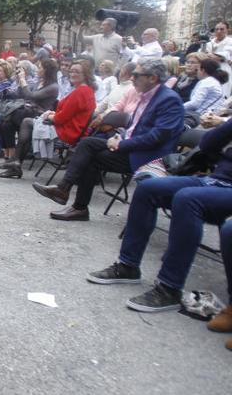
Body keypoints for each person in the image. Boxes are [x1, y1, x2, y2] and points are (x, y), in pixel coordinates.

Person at [86, 117, 232, 315]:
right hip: (215, 181)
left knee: (187, 199)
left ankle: (169, 287)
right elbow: (207, 144)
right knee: (148, 188)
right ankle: (128, 266)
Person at [33, 59, 185, 221]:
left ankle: (74, 202)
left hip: (148, 156)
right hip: (131, 146)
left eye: (136, 75)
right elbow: (137, 127)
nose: (131, 78)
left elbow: (157, 138)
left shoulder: (169, 99)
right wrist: (122, 136)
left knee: (89, 155)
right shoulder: (146, 95)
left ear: (152, 78)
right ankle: (68, 195)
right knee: (87, 144)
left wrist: (122, 143)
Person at [0, 59, 60, 177]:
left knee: (13, 119)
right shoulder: (40, 82)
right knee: (5, 124)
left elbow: (31, 96)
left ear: (47, 71)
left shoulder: (53, 87)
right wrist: (20, 81)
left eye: (40, 67)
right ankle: (13, 161)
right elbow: (22, 94)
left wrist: (23, 80)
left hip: (40, 116)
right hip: (29, 113)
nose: (38, 69)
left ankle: (14, 161)